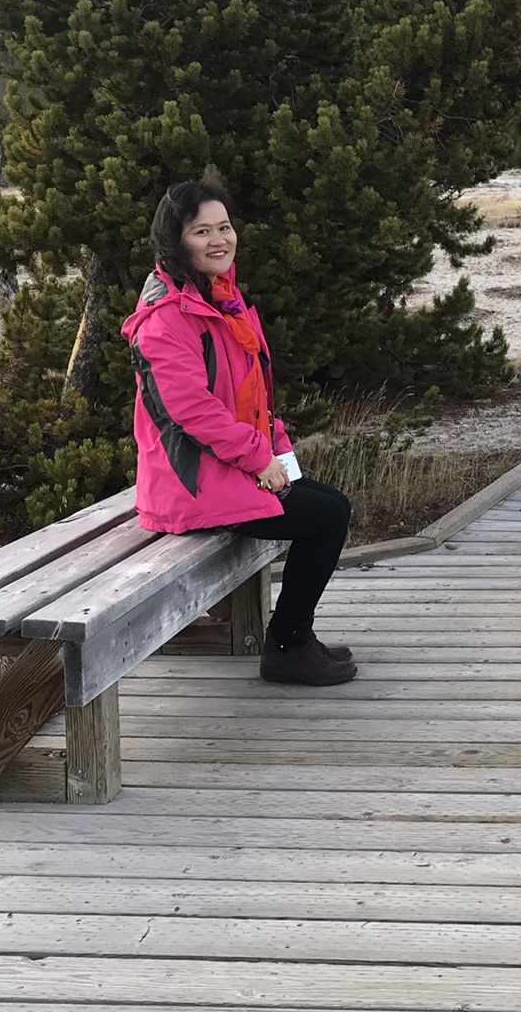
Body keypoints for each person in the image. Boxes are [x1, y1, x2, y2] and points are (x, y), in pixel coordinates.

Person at [122, 177, 356, 686]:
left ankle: (295, 637)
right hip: (190, 487)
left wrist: (280, 455)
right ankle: (289, 646)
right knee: (324, 518)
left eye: (224, 227)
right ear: (175, 242)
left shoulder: (220, 302)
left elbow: (250, 397)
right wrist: (258, 460)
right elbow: (195, 413)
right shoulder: (166, 319)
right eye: (201, 231)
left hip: (225, 470)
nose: (218, 240)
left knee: (329, 503)